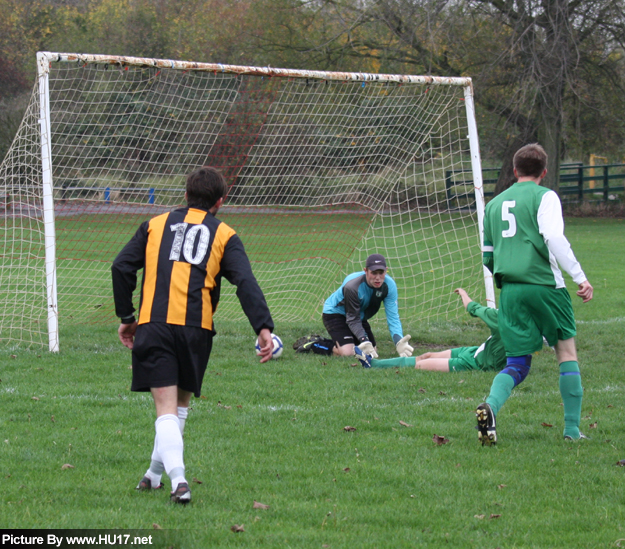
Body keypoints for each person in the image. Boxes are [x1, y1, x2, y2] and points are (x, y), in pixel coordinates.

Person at [111, 166, 274, 503]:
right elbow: (245, 281)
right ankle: (154, 474)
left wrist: (128, 316)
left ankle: (178, 481)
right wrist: (262, 326)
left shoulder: (154, 225)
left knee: (166, 409)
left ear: (185, 196)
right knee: (178, 407)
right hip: (196, 330)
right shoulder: (226, 234)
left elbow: (121, 266)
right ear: (220, 201)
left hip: (154, 325)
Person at [477, 143, 593, 446]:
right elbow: (554, 237)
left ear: (515, 171)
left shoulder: (493, 205)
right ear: (544, 171)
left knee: (516, 363)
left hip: (511, 291)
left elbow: (487, 256)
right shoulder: (546, 197)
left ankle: (490, 405)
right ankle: (571, 431)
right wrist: (579, 277)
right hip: (544, 286)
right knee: (566, 352)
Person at [354, 288, 505, 373]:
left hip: (477, 364)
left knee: (420, 365)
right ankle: (373, 363)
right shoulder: (513, 319)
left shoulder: (501, 318)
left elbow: (473, 308)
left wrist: (464, 294)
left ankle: (374, 365)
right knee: (427, 355)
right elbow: (473, 308)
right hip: (474, 351)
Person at [294, 254, 413, 359]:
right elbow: (352, 319)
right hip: (335, 313)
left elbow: (393, 317)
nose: (378, 277)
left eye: (381, 273)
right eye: (373, 273)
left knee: (371, 352)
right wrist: (364, 340)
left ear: (386, 271)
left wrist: (399, 342)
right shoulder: (352, 286)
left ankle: (344, 342)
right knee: (348, 352)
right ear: (365, 271)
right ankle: (314, 343)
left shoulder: (389, 286)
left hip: (358, 315)